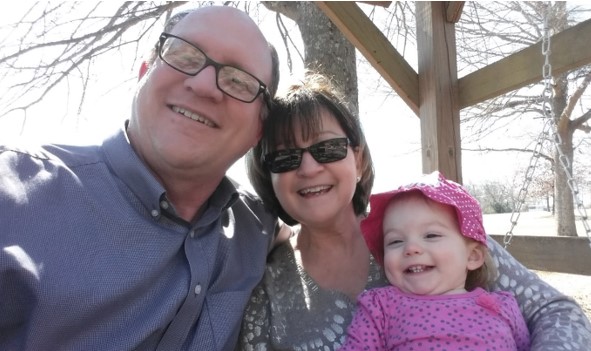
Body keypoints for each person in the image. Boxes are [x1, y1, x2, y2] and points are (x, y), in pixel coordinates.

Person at [238, 72, 591, 351]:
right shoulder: (264, 283)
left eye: (327, 148)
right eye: (285, 156)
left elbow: (557, 313)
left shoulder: (437, 233)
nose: (309, 167)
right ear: (269, 177)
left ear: (358, 160)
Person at [0, 6, 281, 351]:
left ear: (259, 129)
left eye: (239, 80)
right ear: (145, 71)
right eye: (185, 56)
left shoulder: (257, 230)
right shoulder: (12, 194)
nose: (205, 85)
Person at [340, 171, 530, 350]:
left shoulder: (502, 306)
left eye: (431, 235)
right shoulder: (380, 307)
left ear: (472, 256)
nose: (411, 248)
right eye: (395, 241)